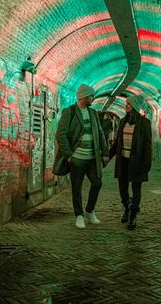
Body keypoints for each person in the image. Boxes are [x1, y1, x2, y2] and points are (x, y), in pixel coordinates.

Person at [54, 84, 109, 229]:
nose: (93, 98)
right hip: (76, 158)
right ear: (84, 96)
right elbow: (61, 134)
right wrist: (69, 155)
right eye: (92, 96)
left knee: (97, 183)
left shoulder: (93, 113)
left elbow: (100, 134)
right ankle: (79, 215)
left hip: (92, 158)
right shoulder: (70, 112)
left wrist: (105, 152)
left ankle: (90, 211)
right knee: (76, 188)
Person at [109, 95, 152, 230]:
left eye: (129, 104)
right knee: (122, 189)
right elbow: (117, 142)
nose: (126, 105)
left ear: (135, 106)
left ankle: (133, 215)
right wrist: (108, 156)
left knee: (136, 188)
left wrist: (146, 164)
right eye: (126, 103)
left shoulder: (144, 123)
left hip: (137, 161)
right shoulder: (122, 122)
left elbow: (147, 144)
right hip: (123, 161)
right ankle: (127, 208)